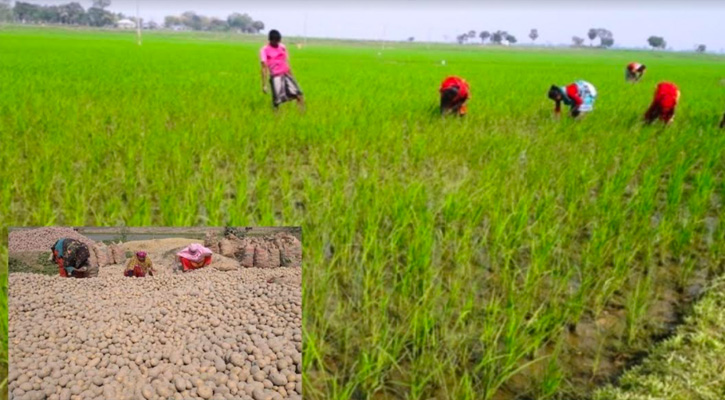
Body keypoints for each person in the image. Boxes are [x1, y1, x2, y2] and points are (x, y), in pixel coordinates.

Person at [260, 29, 304, 110]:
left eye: (278, 41)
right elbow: (264, 68)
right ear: (270, 40)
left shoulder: (282, 47)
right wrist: (264, 85)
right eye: (275, 41)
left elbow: (286, 62)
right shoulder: (264, 50)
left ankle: (302, 115)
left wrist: (292, 76)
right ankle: (276, 118)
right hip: (275, 76)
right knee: (277, 101)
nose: (277, 43)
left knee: (299, 94)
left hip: (286, 74)